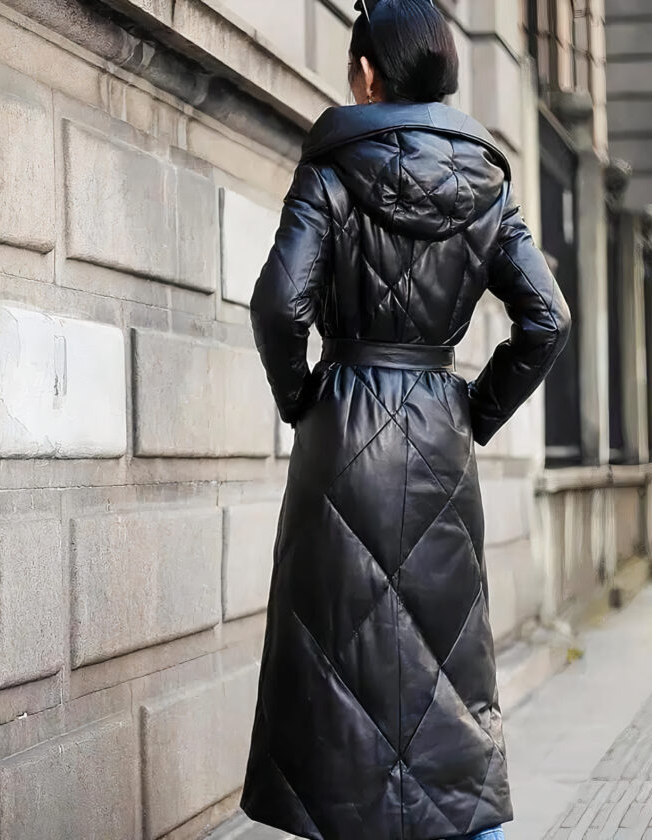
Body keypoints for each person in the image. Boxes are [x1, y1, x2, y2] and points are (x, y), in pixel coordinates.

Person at [240, 1, 571, 838]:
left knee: (333, 673)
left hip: (340, 431)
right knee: (446, 676)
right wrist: (473, 410)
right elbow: (548, 321)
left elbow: (281, 305)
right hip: (438, 440)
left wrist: (302, 399)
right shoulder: (489, 184)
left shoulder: (331, 169)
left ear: (365, 74)